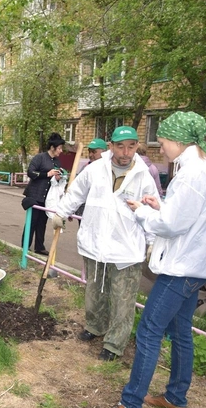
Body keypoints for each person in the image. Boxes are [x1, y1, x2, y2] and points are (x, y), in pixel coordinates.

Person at [94, 112, 206, 408]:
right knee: (181, 332)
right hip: (195, 265)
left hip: (181, 268)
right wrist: (160, 205)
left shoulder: (193, 172)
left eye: (163, 141)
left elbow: (170, 226)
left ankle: (131, 405)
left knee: (149, 331)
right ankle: (175, 397)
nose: (160, 147)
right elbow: (186, 216)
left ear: (179, 140)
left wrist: (142, 212)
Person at [51, 126, 160, 361]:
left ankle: (114, 343)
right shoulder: (96, 168)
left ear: (136, 147)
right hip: (95, 243)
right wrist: (60, 212)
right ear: (110, 146)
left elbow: (152, 209)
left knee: (123, 300)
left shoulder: (144, 175)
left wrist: (152, 242)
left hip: (126, 250)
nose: (125, 151)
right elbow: (76, 193)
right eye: (120, 146)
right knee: (94, 292)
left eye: (131, 146)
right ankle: (95, 327)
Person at [21, 132, 65, 254]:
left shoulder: (57, 162)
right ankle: (25, 246)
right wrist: (47, 174)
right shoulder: (40, 158)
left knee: (42, 223)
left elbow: (55, 178)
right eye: (59, 148)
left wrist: (58, 177)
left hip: (47, 198)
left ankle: (39, 247)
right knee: (32, 221)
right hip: (35, 195)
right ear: (52, 147)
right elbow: (31, 172)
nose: (61, 151)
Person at [74, 138, 109, 222]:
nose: (90, 155)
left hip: (102, 210)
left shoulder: (109, 168)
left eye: (94, 152)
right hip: (84, 208)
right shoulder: (86, 168)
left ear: (104, 152)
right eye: (89, 151)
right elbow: (77, 190)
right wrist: (72, 209)